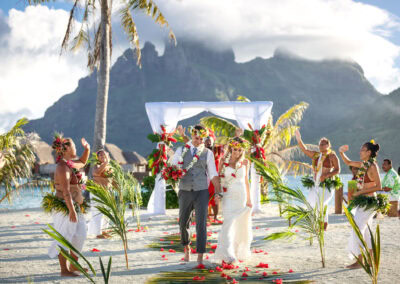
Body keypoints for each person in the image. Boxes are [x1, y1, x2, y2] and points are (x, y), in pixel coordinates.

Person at [172, 125, 222, 265]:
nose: (198, 141)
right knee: (183, 222)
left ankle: (200, 255)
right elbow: (173, 165)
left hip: (201, 191)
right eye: (196, 138)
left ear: (204, 138)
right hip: (184, 190)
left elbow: (213, 174)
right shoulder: (181, 150)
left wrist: (218, 191)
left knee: (201, 224)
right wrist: (173, 169)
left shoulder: (208, 153)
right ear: (192, 136)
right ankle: (187, 248)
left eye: (201, 139)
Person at [48, 135, 90, 276]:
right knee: (65, 236)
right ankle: (64, 269)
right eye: (73, 145)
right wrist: (71, 211)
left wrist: (87, 149)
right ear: (65, 149)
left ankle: (73, 265)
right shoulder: (62, 167)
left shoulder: (71, 163)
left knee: (80, 235)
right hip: (65, 207)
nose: (75, 147)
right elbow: (66, 191)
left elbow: (83, 162)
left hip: (74, 206)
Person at [338, 141, 382, 269]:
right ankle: (371, 258)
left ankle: (361, 260)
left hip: (370, 203)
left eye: (363, 150)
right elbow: (348, 162)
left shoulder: (373, 166)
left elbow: (378, 186)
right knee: (366, 231)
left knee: (357, 229)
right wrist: (341, 152)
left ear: (369, 152)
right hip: (363, 202)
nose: (360, 151)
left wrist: (361, 191)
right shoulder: (363, 164)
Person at [215, 137, 252, 264]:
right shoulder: (222, 161)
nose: (237, 152)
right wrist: (218, 193)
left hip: (241, 196)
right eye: (235, 149)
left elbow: (246, 181)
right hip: (228, 195)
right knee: (228, 222)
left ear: (243, 150)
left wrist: (249, 199)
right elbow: (219, 180)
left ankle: (236, 249)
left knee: (239, 224)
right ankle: (227, 252)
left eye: (239, 150)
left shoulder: (246, 162)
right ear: (230, 148)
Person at [295, 129, 340, 230]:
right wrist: (299, 139)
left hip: (327, 185)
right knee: (311, 203)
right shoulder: (316, 155)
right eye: (320, 144)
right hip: (316, 184)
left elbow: (337, 170)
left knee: (321, 204)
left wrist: (327, 175)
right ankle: (321, 225)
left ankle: (322, 225)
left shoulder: (332, 156)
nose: (321, 146)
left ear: (329, 145)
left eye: (324, 144)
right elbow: (304, 149)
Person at [88, 150, 113, 238]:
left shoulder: (109, 166)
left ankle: (104, 231)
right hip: (98, 192)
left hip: (107, 192)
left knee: (107, 213)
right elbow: (96, 173)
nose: (103, 157)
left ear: (108, 155)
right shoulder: (96, 166)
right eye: (101, 156)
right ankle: (98, 233)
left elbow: (111, 180)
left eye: (104, 155)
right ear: (98, 158)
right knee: (98, 213)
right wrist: (106, 162)